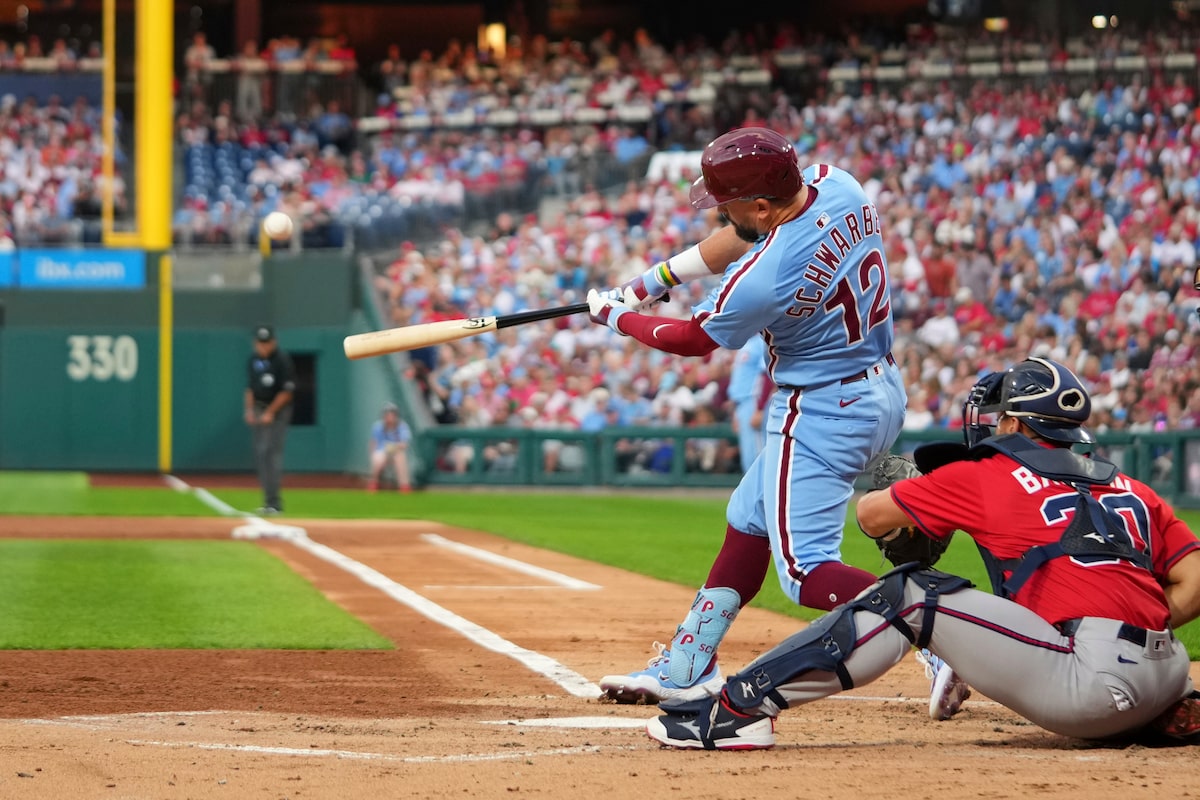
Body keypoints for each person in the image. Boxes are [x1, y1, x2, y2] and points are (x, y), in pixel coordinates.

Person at [643, 357, 1200, 750]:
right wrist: (1130, 625)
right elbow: (1193, 585)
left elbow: (872, 516)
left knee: (909, 592)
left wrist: (920, 490)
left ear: (1013, 423)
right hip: (1170, 672)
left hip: (1090, 685)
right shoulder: (1134, 489)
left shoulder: (987, 473)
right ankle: (1152, 711)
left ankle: (737, 709)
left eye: (999, 414)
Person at [589, 127, 908, 704]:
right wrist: (651, 282)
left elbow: (691, 338)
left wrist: (616, 317)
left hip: (820, 408)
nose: (723, 213)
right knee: (747, 519)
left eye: (731, 203)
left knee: (806, 571)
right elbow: (737, 237)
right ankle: (688, 665)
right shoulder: (841, 187)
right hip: (878, 387)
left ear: (761, 205)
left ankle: (939, 629)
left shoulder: (764, 277)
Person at [244, 325, 295, 514]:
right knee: (261, 454)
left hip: (279, 410)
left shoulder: (282, 360)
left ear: (273, 342)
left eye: (266, 342)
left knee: (270, 452)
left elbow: (287, 392)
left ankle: (274, 503)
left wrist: (270, 412)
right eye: (260, 342)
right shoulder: (253, 360)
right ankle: (268, 501)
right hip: (259, 408)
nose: (263, 346)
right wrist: (250, 410)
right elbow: (250, 388)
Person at [727, 335, 770, 473]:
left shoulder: (762, 341)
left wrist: (760, 408)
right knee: (748, 457)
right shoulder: (746, 343)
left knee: (757, 457)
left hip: (753, 401)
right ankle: (755, 494)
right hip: (742, 404)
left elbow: (766, 376)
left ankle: (764, 494)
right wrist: (735, 413)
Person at [367, 401, 413, 493]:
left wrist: (393, 447)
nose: (389, 417)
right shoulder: (378, 426)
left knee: (400, 456)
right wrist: (373, 455)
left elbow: (404, 444)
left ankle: (404, 486)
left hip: (395, 452)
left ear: (396, 416)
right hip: (382, 452)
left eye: (392, 414)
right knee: (377, 457)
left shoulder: (402, 426)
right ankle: (374, 483)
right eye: (387, 414)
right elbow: (373, 443)